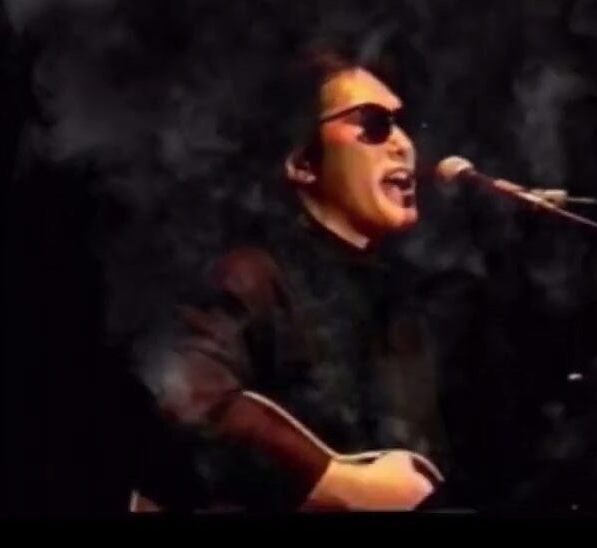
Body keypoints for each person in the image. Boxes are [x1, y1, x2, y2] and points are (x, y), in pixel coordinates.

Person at [133, 46, 459, 511]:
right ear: (302, 162)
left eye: (401, 124)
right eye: (373, 124)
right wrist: (337, 483)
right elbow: (184, 401)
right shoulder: (250, 276)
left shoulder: (405, 303)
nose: (404, 144)